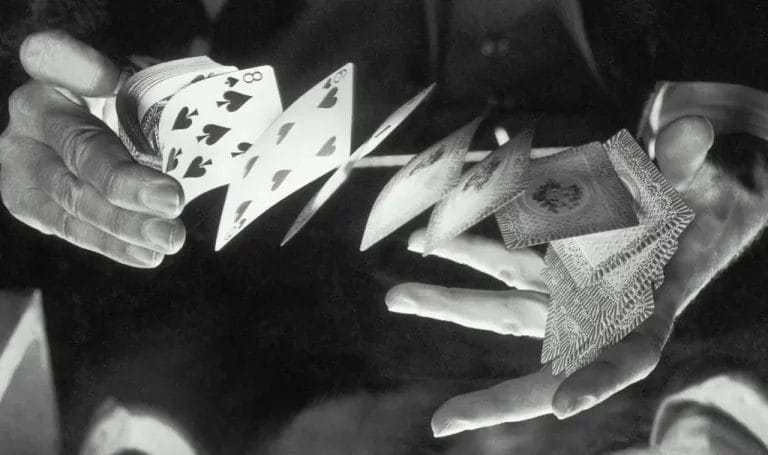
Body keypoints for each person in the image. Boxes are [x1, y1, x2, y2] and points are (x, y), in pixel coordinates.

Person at [3, 0, 768, 449]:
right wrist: (67, 100)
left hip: (660, 322)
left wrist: (733, 169)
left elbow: (737, 94)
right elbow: (88, 44)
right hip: (291, 317)